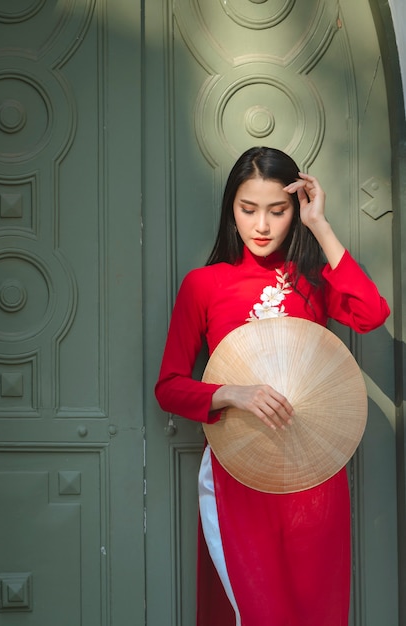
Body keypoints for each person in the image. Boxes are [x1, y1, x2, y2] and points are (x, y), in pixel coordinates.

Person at [155, 146, 390, 626]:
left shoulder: (311, 281)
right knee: (255, 611)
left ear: (294, 212)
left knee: (314, 611)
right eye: (248, 209)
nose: (261, 225)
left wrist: (320, 226)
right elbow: (169, 386)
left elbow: (372, 313)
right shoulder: (203, 284)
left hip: (314, 476)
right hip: (236, 473)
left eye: (277, 211)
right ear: (231, 211)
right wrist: (230, 393)